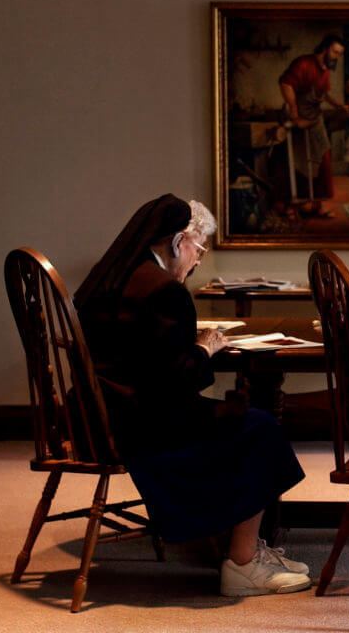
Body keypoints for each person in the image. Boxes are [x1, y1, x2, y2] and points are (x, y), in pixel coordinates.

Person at [74, 194, 311, 596]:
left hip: (98, 417)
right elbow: (180, 381)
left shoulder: (107, 276)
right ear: (179, 239)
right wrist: (206, 348)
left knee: (242, 419)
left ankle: (248, 546)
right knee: (260, 427)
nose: (199, 260)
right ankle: (243, 563)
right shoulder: (163, 290)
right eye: (199, 249)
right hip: (144, 427)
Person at [278, 34, 349, 218]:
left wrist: (338, 106)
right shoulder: (304, 63)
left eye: (340, 54)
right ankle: (293, 206)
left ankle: (318, 204)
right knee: (300, 160)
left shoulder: (325, 71)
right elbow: (286, 83)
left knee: (322, 157)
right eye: (335, 52)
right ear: (325, 48)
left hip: (314, 118)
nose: (337, 57)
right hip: (298, 117)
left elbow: (324, 95)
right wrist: (295, 113)